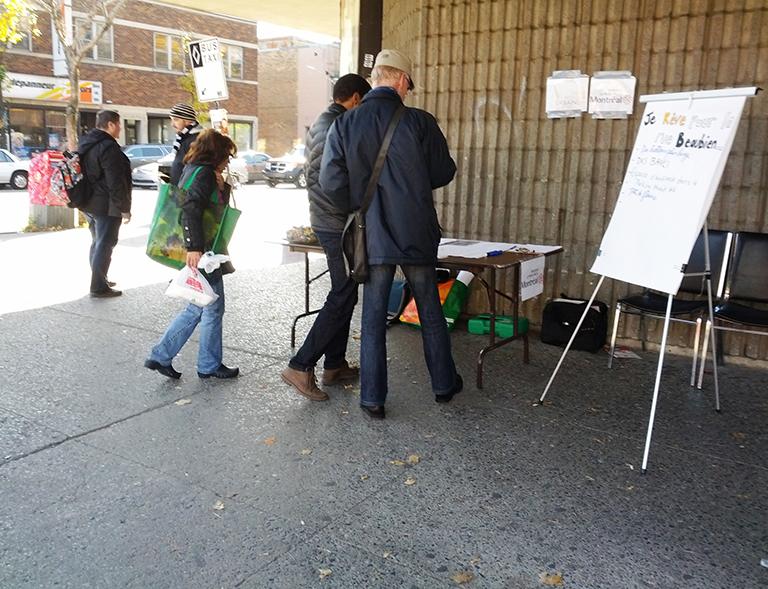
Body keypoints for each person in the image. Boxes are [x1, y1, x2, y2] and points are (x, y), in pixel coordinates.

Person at [320, 49, 463, 420]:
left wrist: (358, 206)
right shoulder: (420, 122)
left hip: (372, 233)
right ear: (401, 79)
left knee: (372, 316)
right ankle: (444, 385)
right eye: (409, 84)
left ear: (377, 79)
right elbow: (444, 171)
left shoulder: (345, 124)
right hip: (416, 228)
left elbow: (330, 183)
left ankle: (372, 398)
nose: (408, 90)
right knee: (430, 310)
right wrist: (412, 182)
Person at [281, 73, 372, 402]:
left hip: (327, 219)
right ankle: (300, 366)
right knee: (343, 294)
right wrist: (356, 206)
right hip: (336, 222)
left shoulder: (324, 122)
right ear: (356, 99)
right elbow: (332, 182)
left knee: (345, 292)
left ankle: (334, 364)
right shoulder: (339, 125)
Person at [144, 129, 239, 380]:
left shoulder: (193, 169)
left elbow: (207, 205)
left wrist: (222, 186)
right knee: (211, 308)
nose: (228, 161)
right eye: (227, 155)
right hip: (204, 251)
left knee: (198, 306)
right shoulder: (204, 173)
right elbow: (191, 209)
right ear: (217, 153)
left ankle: (162, 355)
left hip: (199, 248)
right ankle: (207, 365)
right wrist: (194, 247)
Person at [79, 109, 132, 298]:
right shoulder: (108, 147)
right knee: (105, 243)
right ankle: (98, 286)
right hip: (106, 204)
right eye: (118, 125)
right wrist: (124, 209)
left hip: (88, 202)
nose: (120, 129)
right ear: (110, 124)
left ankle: (99, 278)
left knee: (97, 242)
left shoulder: (86, 142)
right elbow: (115, 181)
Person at [169, 103, 203, 186]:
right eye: (171, 119)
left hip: (187, 190)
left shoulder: (195, 140)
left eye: (176, 119)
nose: (172, 124)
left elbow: (195, 170)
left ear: (188, 121)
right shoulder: (184, 138)